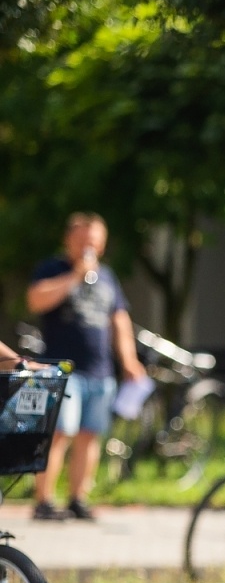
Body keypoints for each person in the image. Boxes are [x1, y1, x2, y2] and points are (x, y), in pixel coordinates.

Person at [25, 212, 147, 521]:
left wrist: (129, 360)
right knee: (59, 434)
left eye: (93, 241)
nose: (87, 246)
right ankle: (44, 501)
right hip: (63, 370)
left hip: (100, 370)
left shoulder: (107, 277)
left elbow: (119, 319)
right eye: (81, 240)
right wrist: (74, 276)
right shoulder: (53, 269)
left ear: (102, 245)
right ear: (68, 240)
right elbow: (35, 301)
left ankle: (78, 498)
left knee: (89, 435)